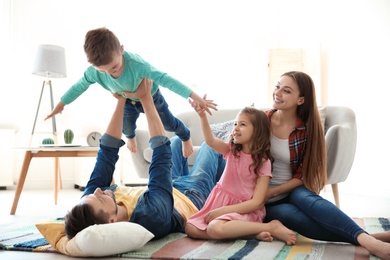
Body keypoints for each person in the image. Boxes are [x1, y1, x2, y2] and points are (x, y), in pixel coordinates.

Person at [176, 71, 390, 259]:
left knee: (309, 200)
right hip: (259, 199)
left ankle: (367, 240)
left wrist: (273, 192)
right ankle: (366, 238)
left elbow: (303, 176)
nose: (278, 92)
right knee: (293, 218)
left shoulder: (306, 131)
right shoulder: (261, 121)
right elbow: (230, 142)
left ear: (300, 99)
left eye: (286, 90)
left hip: (287, 189)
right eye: (278, 86)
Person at [64, 78, 222, 240]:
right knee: (210, 146)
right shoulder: (151, 216)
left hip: (170, 186)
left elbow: (107, 153)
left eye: (92, 194)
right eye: (101, 198)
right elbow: (161, 156)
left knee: (176, 142)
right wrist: (147, 98)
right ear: (113, 221)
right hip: (192, 196)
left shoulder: (90, 203)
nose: (98, 190)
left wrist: (121, 100)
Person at [45, 27, 217, 158]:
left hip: (151, 97)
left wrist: (194, 96)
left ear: (121, 50)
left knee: (169, 124)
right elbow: (78, 86)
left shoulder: (137, 65)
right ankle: (131, 137)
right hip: (128, 100)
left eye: (114, 67)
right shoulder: (94, 72)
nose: (110, 73)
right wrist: (61, 105)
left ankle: (185, 136)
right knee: (127, 126)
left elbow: (166, 79)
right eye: (103, 71)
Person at [184, 103, 297, 245]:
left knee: (214, 228)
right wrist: (202, 116)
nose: (236, 128)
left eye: (242, 124)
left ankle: (270, 226)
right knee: (190, 228)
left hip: (244, 211)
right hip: (220, 204)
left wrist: (222, 211)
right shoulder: (232, 150)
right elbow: (210, 141)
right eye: (236, 124)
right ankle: (251, 234)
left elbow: (256, 202)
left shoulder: (263, 162)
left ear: (257, 131)